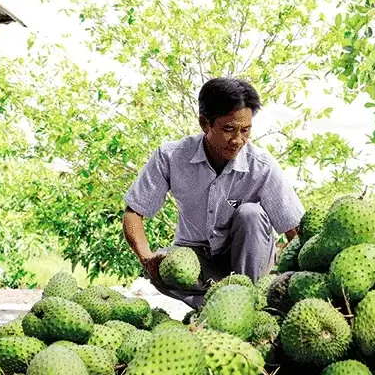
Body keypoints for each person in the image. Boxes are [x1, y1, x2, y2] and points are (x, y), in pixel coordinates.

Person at [122, 77, 305, 308]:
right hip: (196, 256)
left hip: (247, 256)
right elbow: (133, 213)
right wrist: (146, 259)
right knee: (163, 267)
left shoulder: (262, 166)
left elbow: (295, 231)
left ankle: (248, 302)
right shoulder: (170, 156)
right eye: (228, 129)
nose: (238, 140)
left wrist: (299, 278)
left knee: (251, 214)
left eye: (245, 130)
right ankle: (219, 302)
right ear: (204, 124)